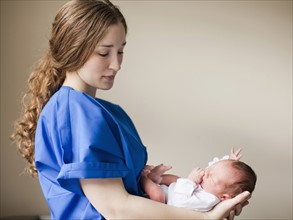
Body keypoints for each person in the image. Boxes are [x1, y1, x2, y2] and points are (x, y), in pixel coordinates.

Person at [11, 0, 251, 219]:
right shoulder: (76, 111)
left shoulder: (104, 111)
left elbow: (128, 187)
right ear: (74, 49)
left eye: (121, 51)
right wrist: (206, 218)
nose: (116, 64)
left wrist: (209, 198)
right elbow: (116, 208)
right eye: (104, 53)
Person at [141, 148, 257, 212]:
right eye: (209, 171)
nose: (206, 174)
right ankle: (157, 178)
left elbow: (179, 203)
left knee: (158, 194)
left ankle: (144, 178)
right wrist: (229, 161)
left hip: (166, 203)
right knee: (178, 179)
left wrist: (191, 181)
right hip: (173, 191)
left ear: (224, 197)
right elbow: (216, 168)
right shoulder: (211, 186)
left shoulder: (208, 200)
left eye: (211, 178)